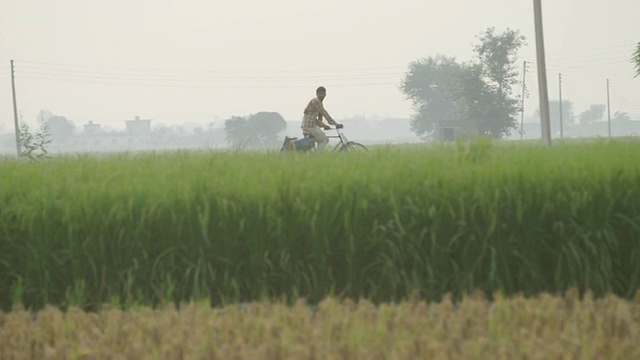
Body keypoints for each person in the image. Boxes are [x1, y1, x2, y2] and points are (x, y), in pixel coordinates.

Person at [301, 86, 342, 151]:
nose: (321, 95)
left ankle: (316, 154)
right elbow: (323, 112)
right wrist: (335, 124)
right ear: (316, 94)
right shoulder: (316, 101)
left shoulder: (317, 102)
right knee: (324, 140)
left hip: (308, 126)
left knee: (318, 141)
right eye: (320, 94)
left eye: (323, 93)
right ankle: (317, 156)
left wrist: (324, 125)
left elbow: (314, 119)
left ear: (325, 94)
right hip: (310, 127)